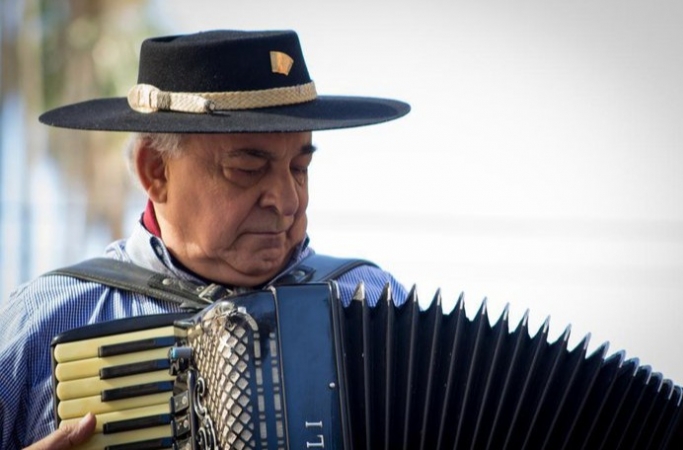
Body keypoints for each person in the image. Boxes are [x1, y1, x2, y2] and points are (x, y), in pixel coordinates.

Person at [0, 29, 411, 449]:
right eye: (248, 168)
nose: (287, 201)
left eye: (299, 168)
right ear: (156, 171)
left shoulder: (374, 303)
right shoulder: (42, 321)